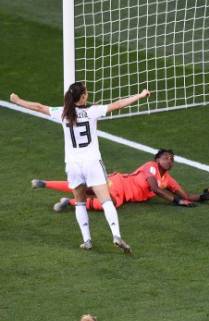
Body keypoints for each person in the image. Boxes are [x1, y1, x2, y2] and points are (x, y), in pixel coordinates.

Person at [9, 82, 150, 253]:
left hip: (73, 165)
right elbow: (120, 104)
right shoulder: (93, 111)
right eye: (86, 92)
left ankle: (87, 240)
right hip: (92, 163)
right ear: (82, 97)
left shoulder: (63, 113)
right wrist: (140, 95)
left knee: (80, 202)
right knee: (106, 201)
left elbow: (38, 107)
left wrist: (17, 100)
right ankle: (116, 234)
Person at [31, 148, 209, 211]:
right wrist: (177, 201)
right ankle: (45, 184)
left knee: (108, 202)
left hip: (124, 196)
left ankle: (68, 201)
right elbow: (155, 189)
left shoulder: (169, 180)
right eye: (166, 157)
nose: (169, 160)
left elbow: (186, 195)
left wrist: (202, 197)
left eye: (172, 159)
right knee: (88, 190)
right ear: (157, 159)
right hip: (119, 182)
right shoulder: (150, 167)